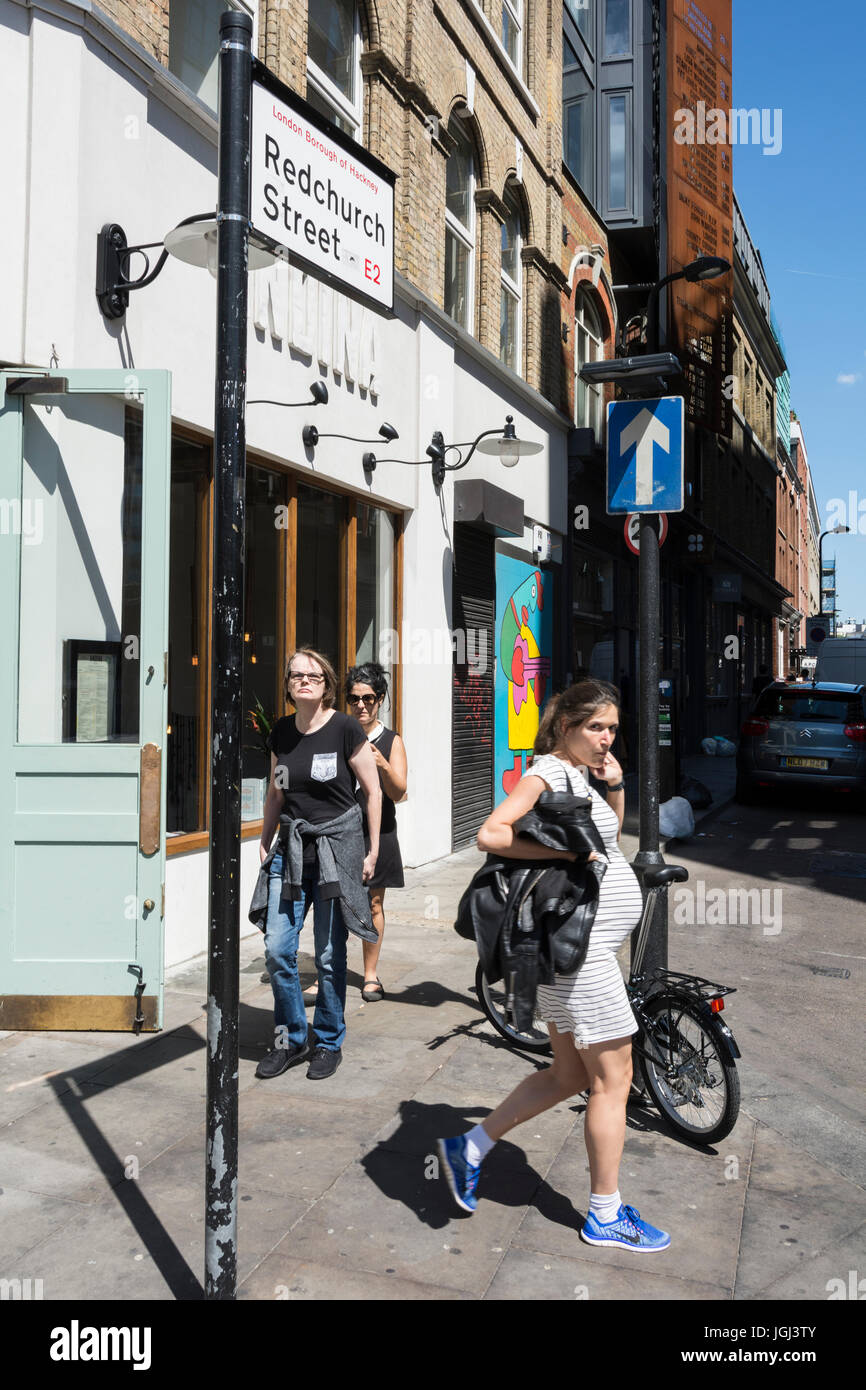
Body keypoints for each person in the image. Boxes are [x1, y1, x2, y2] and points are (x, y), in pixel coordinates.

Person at [437, 678, 670, 1252]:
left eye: (613, 728)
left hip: (575, 957)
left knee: (568, 1076)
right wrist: (562, 852)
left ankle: (470, 1147)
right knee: (615, 1081)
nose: (606, 738)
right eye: (595, 727)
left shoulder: (583, 775)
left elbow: (608, 842)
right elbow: (490, 833)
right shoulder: (550, 770)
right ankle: (605, 1214)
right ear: (565, 726)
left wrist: (614, 788)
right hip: (583, 960)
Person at [251, 647, 382, 1081]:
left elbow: (373, 790)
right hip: (290, 853)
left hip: (335, 853)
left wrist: (372, 849)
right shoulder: (281, 733)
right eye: (295, 676)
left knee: (328, 956)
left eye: (312, 675)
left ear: (326, 684)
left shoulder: (345, 728)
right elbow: (276, 792)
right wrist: (265, 838)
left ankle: (327, 1041)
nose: (303, 681)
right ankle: (291, 1038)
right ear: (288, 685)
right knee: (277, 950)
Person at [303, 661, 408, 1003]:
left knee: (372, 905)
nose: (361, 705)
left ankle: (370, 976)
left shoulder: (391, 741)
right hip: (336, 833)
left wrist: (382, 764)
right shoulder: (336, 734)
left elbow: (400, 792)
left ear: (381, 699)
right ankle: (326, 974)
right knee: (330, 905)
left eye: (369, 698)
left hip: (379, 833)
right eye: (354, 698)